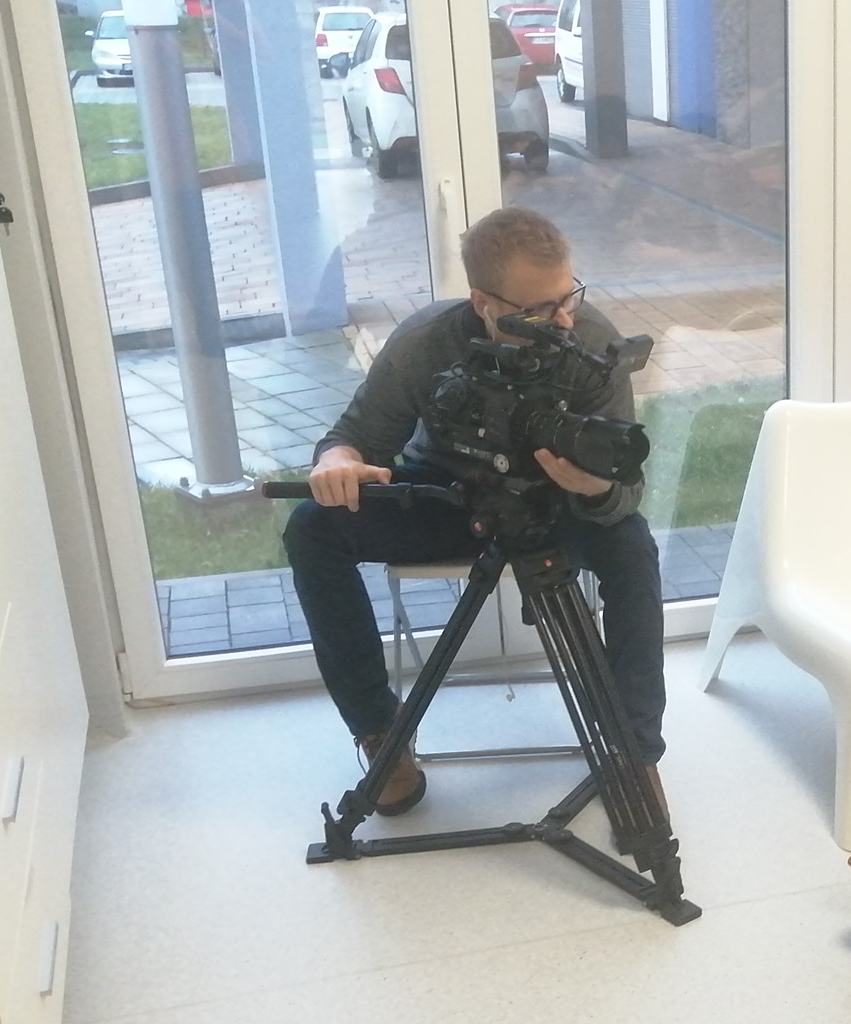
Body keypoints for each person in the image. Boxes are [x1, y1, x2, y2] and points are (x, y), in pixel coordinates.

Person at [282, 206, 665, 815]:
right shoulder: (426, 341)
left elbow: (625, 486)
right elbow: (352, 437)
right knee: (312, 528)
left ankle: (634, 751)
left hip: (559, 500)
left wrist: (596, 490)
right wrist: (337, 463)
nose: (565, 321)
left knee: (632, 548)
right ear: (483, 302)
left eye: (569, 297)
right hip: (451, 496)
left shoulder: (592, 340)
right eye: (540, 311)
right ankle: (381, 732)